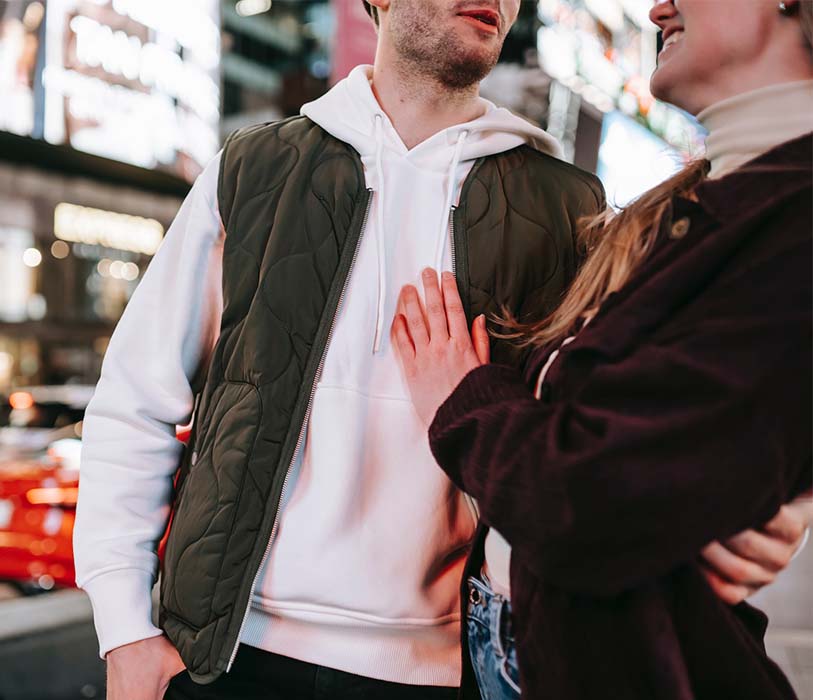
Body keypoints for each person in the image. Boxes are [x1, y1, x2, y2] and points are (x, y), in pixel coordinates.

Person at [73, 1, 803, 699]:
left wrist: (767, 501)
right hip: (228, 658)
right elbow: (134, 404)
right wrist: (126, 632)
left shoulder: (571, 206)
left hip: (450, 670)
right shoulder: (254, 169)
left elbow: (633, 438)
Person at [390, 1, 813, 699]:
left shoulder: (785, 221)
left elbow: (583, 499)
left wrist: (458, 398)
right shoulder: (698, 206)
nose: (658, 7)